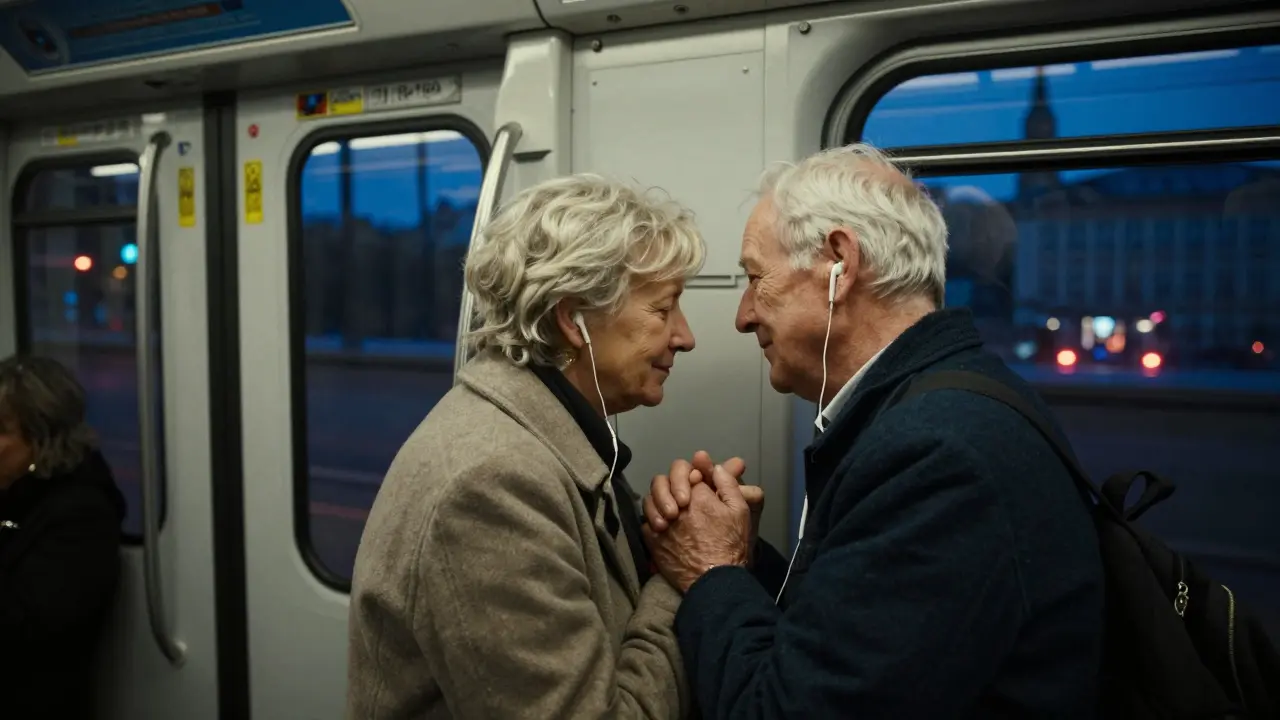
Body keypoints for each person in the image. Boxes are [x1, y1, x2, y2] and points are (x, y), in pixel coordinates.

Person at [641, 143, 1104, 718]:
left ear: (840, 263)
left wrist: (710, 570)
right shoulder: (951, 402)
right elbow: (853, 637)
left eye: (756, 279)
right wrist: (744, 559)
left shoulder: (937, 456)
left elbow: (786, 709)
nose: (742, 316)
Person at [347, 174, 739, 719]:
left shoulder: (551, 433)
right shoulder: (491, 485)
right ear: (572, 318)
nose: (685, 335)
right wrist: (687, 577)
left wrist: (679, 534)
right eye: (662, 309)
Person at [0, 354, 127, 720]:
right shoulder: (15, 495)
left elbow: (31, 630)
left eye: (0, 430)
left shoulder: (79, 515)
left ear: (40, 438)